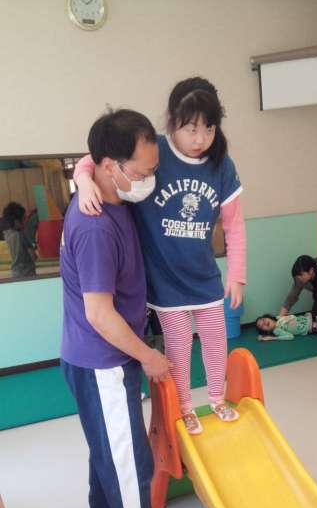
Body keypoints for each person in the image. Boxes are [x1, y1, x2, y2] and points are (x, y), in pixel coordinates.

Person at [60, 108, 202, 508]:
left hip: (90, 356)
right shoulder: (96, 226)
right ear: (110, 165)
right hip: (103, 359)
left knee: (107, 441)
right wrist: (148, 356)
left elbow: (87, 159)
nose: (148, 179)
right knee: (130, 466)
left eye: (152, 169)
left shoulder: (109, 191)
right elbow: (100, 314)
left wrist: (82, 176)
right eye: (142, 172)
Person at [74, 77, 246, 436]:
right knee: (178, 347)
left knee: (216, 340)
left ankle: (217, 398)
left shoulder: (221, 164)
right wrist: (84, 180)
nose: (200, 139)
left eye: (209, 129)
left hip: (204, 277)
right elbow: (95, 158)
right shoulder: (155, 150)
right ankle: (184, 406)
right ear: (172, 122)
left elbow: (234, 224)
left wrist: (236, 273)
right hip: (166, 282)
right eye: (191, 129)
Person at [2, 201, 37, 278]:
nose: (26, 220)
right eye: (24, 218)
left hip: (15, 272)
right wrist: (33, 248)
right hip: (27, 272)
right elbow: (33, 256)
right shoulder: (21, 235)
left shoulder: (7, 235)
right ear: (16, 222)